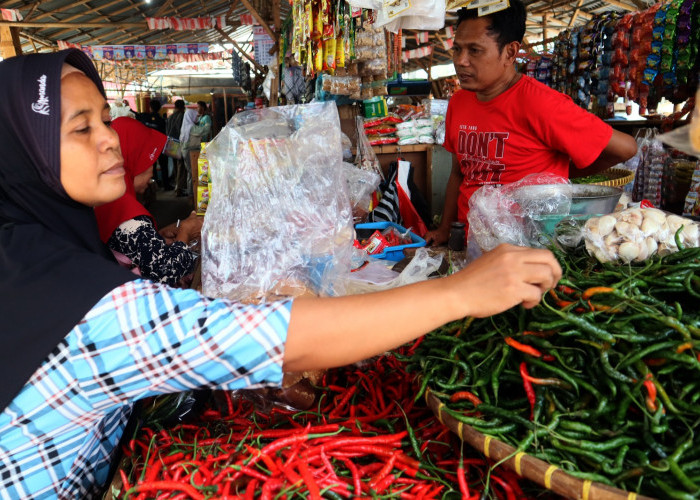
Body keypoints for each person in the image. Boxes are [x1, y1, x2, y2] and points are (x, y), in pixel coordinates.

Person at [0, 49, 562, 498]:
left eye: (105, 117)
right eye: (80, 128)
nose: (109, 138)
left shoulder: (28, 247)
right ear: (23, 153)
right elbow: (276, 341)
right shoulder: (70, 301)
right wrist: (460, 291)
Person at [424, 0, 638, 246]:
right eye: (457, 49)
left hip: (528, 247)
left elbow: (626, 148)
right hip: (471, 242)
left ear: (510, 52)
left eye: (475, 50)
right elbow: (459, 172)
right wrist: (444, 229)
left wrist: (561, 178)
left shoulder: (542, 104)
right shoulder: (459, 102)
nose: (461, 61)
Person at [94, 116, 202, 286]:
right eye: (148, 161)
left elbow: (132, 249)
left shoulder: (105, 200)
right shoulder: (124, 211)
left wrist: (157, 236)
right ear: (130, 158)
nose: (151, 172)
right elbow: (167, 271)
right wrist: (186, 231)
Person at [134, 99, 169, 188]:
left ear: (150, 108)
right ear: (160, 108)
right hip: (160, 145)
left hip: (149, 146)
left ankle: (154, 184)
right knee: (164, 165)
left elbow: (135, 114)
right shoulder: (162, 120)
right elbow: (165, 133)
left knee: (151, 166)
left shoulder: (145, 117)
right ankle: (166, 185)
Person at [166, 99, 186, 195]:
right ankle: (179, 189)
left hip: (170, 142)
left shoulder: (170, 117)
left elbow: (167, 130)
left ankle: (177, 185)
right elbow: (180, 131)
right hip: (178, 143)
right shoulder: (181, 116)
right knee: (181, 165)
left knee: (175, 165)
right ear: (183, 107)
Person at [179, 108, 200, 195]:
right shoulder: (191, 127)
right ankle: (192, 193)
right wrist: (207, 124)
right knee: (193, 172)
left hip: (185, 151)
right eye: (195, 116)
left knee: (190, 172)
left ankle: (190, 192)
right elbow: (203, 131)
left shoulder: (185, 125)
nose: (196, 118)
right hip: (189, 152)